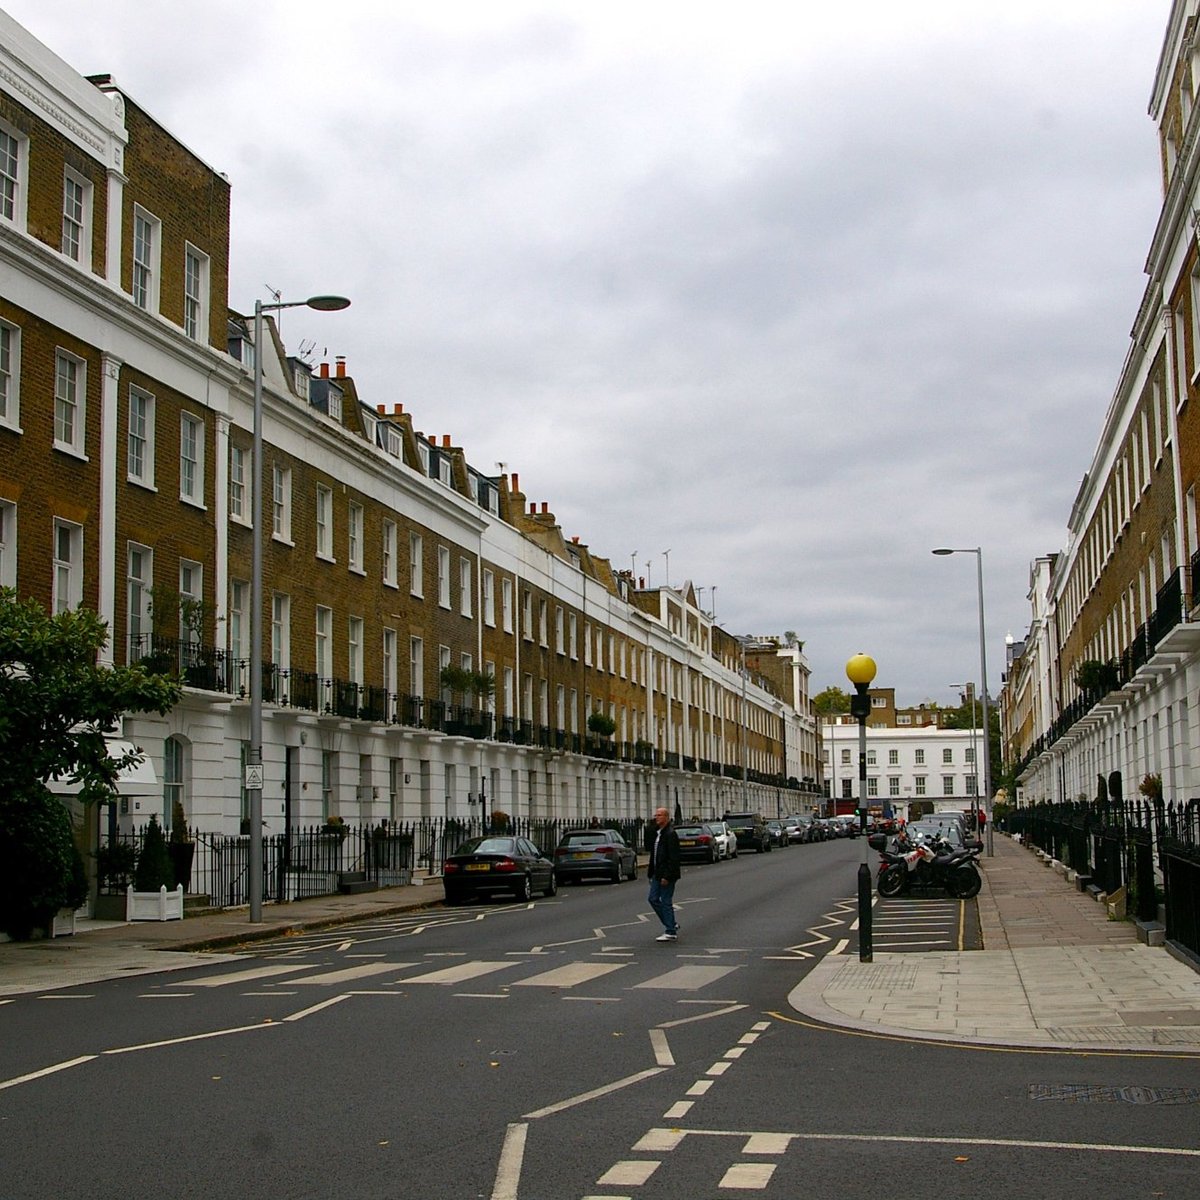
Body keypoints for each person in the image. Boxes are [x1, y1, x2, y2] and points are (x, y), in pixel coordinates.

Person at [647, 806, 681, 942]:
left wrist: (667, 876)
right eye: (656, 815)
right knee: (653, 899)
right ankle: (671, 923)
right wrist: (651, 873)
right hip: (656, 873)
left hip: (666, 874)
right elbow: (654, 855)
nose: (656, 817)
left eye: (659, 815)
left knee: (666, 901)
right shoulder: (658, 833)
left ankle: (670, 931)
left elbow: (673, 858)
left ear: (666, 818)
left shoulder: (670, 834)